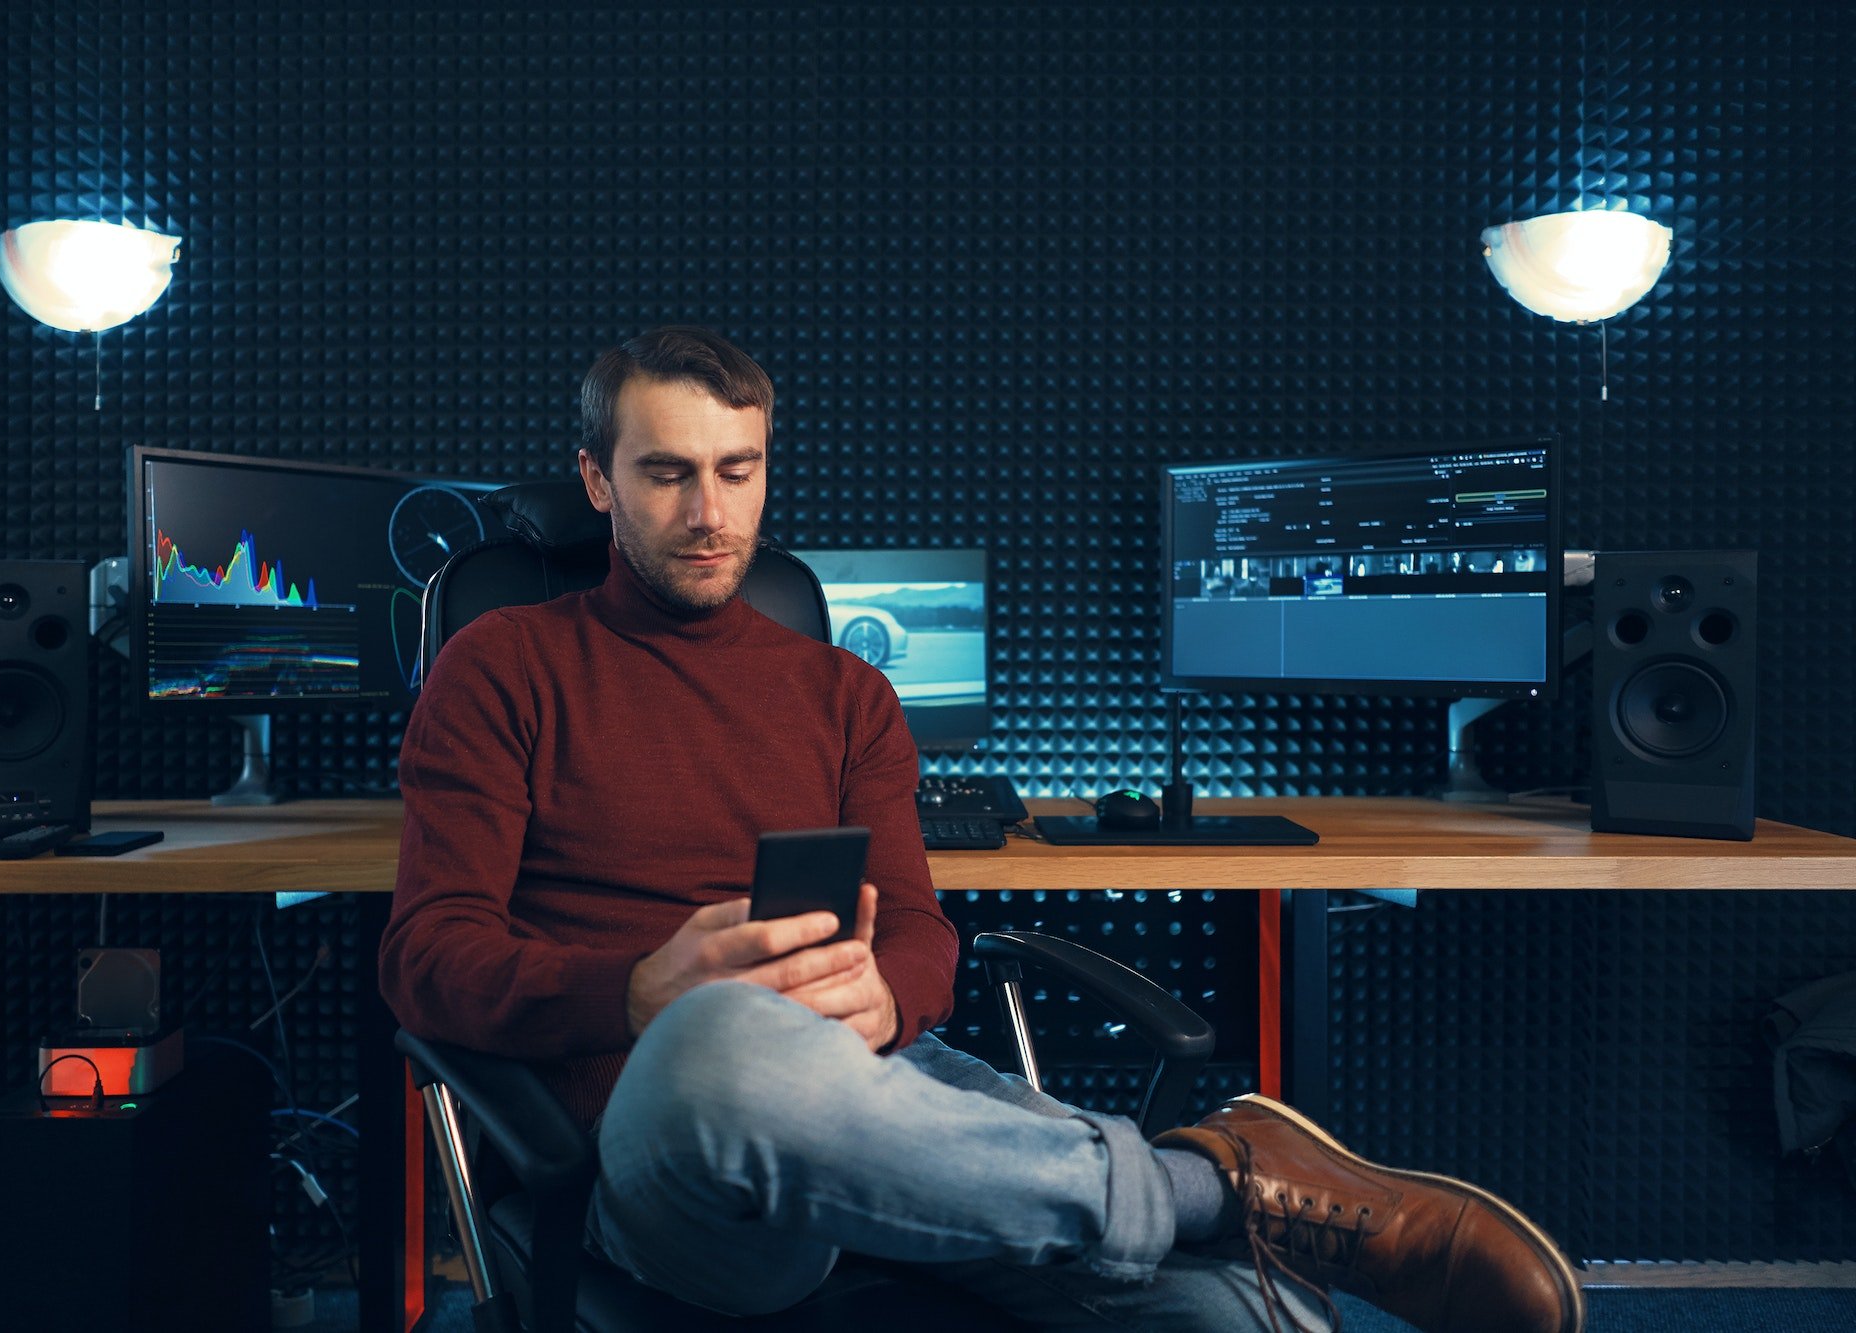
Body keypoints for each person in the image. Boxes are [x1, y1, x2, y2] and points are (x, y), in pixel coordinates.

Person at [379, 326, 1584, 1333]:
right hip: (669, 1152)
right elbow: (427, 959)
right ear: (596, 480)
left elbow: (918, 930)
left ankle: (1206, 1201)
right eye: (665, 473)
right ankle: (1211, 1178)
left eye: (737, 469)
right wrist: (638, 992)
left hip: (883, 1103)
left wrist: (887, 1001)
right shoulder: (502, 666)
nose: (708, 510)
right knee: (723, 1043)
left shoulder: (841, 691)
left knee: (1251, 1319)